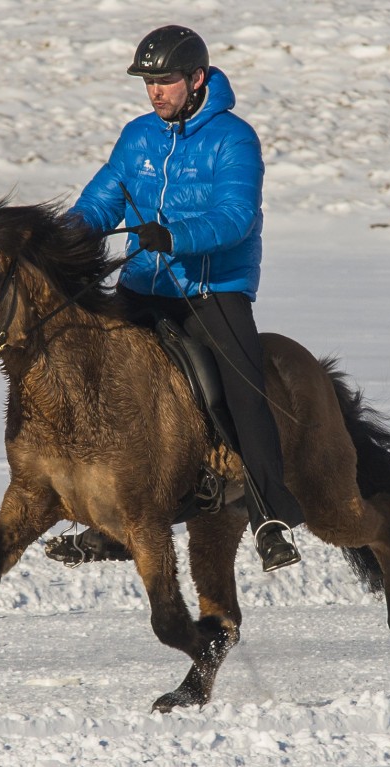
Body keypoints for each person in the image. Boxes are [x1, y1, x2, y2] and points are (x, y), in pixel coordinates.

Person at [45, 25, 303, 572]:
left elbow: (236, 218)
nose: (155, 91)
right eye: (149, 82)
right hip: (144, 286)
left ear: (197, 78)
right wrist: (60, 239)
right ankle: (114, 516)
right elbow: (99, 203)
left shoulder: (234, 139)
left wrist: (177, 237)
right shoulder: (137, 136)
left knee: (240, 393)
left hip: (212, 291)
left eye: (165, 80)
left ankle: (270, 517)